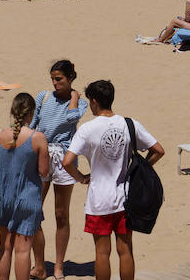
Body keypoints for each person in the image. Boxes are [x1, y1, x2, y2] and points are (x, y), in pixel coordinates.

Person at [63, 80, 164, 280]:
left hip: (99, 199)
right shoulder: (129, 124)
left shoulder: (87, 129)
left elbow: (67, 162)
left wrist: (82, 178)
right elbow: (158, 150)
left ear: (94, 102)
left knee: (102, 253)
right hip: (125, 196)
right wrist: (140, 169)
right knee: (125, 249)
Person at [30, 60, 84, 280]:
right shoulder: (42, 97)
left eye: (59, 79)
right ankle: (40, 265)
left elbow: (72, 118)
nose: (54, 83)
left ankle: (59, 265)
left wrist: (74, 96)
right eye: (52, 78)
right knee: (34, 212)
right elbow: (32, 125)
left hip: (64, 157)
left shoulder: (80, 102)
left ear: (70, 78)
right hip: (42, 154)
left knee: (61, 214)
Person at [0, 92, 49, 280]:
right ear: (31, 113)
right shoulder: (38, 138)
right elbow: (44, 171)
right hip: (28, 197)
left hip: (5, 197)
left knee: (5, 246)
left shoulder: (0, 136)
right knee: (23, 251)